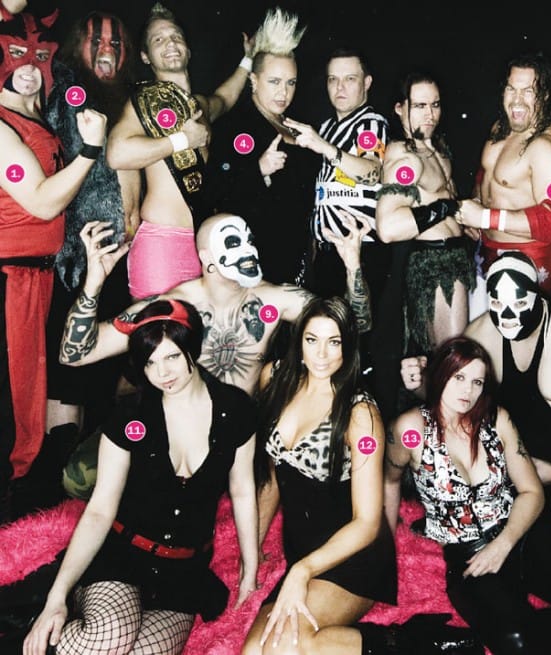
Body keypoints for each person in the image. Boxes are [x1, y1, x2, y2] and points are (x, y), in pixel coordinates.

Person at [58, 211, 370, 499]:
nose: (248, 249)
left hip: (234, 434)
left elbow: (354, 327)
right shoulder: (173, 306)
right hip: (175, 422)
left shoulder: (274, 300)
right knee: (79, 477)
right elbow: (76, 354)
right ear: (206, 257)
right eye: (233, 242)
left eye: (249, 240)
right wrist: (94, 283)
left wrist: (353, 266)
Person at [243, 297, 479, 655]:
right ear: (298, 340)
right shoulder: (274, 379)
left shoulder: (361, 414)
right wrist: (252, 553)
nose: (321, 354)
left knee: (287, 648)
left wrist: (302, 571)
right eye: (312, 340)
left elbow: (367, 523)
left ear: (348, 346)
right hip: (302, 549)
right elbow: (273, 476)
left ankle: (411, 644)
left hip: (354, 556)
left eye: (334, 342)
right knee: (253, 652)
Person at [22, 299, 259, 655]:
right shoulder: (130, 416)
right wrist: (56, 598)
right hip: (123, 555)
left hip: (183, 571)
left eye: (172, 356)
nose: (163, 372)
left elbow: (242, 490)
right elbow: (100, 509)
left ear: (192, 348)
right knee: (109, 638)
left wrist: (250, 569)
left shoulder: (236, 409)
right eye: (150, 362)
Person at [386, 336, 551, 655]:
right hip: (470, 556)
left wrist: (503, 544)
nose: (467, 391)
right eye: (458, 377)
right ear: (440, 374)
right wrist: (386, 541)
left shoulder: (497, 419)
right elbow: (389, 480)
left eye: (477, 381)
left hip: (523, 535)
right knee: (516, 642)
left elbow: (532, 492)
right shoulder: (409, 430)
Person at [401, 252, 551, 567]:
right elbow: (447, 398)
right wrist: (419, 383)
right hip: (506, 476)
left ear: (537, 296)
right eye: (497, 304)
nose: (508, 315)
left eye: (519, 302)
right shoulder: (481, 333)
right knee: (489, 567)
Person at [0, 10, 106, 522]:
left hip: (35, 275)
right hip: (10, 277)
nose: (27, 68)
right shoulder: (1, 126)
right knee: (11, 402)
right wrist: (89, 152)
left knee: (28, 400)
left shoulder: (33, 118)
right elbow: (42, 203)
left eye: (38, 58)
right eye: (15, 57)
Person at [36, 10, 138, 522]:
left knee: (109, 367)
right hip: (76, 255)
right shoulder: (67, 92)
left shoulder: (129, 97)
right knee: (68, 371)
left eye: (115, 42)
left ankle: (93, 483)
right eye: (97, 40)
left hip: (123, 255)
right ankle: (55, 488)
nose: (106, 49)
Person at [106, 2, 254, 299]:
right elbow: (117, 154)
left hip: (205, 243)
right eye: (158, 39)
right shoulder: (142, 103)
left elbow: (225, 98)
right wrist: (182, 140)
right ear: (146, 56)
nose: (170, 44)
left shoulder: (199, 104)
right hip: (163, 243)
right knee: (161, 328)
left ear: (188, 49)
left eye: (176, 37)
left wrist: (248, 60)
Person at [280, 47, 392, 418]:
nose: (340, 87)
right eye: (333, 79)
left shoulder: (370, 122)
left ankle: (362, 419)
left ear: (367, 83)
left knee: (357, 341)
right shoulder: (327, 126)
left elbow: (371, 171)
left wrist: (322, 146)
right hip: (327, 252)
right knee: (329, 342)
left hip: (360, 249)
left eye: (350, 79)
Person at [204, 6, 316, 285]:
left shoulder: (297, 126)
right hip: (255, 266)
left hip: (297, 262)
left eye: (291, 83)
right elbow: (215, 195)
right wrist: (259, 170)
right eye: (274, 81)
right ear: (254, 81)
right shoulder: (235, 126)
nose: (283, 92)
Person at [455, 52, 551, 297]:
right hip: (485, 250)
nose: (517, 100)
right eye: (511, 89)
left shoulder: (546, 147)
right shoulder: (500, 128)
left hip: (527, 260)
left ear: (545, 95)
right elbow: (488, 175)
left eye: (528, 91)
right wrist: (476, 204)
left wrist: (485, 217)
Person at [376, 71, 476, 356]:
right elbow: (388, 228)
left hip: (456, 258)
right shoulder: (405, 157)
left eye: (435, 105)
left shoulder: (436, 149)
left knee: (452, 359)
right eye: (419, 106)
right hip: (434, 264)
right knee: (451, 358)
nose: (430, 114)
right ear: (400, 108)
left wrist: (460, 218)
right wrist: (446, 208)